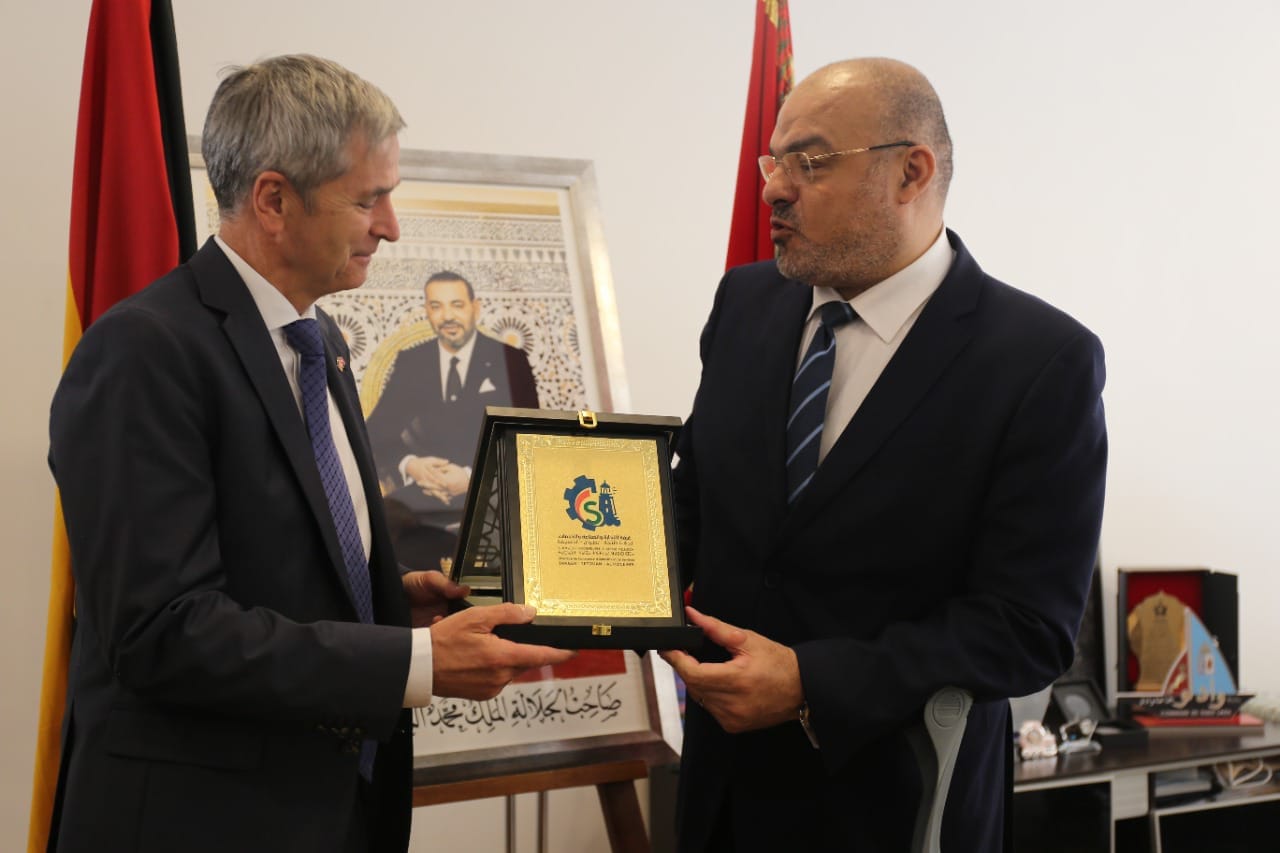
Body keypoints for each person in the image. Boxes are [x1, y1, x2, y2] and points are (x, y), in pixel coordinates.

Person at [46, 54, 572, 853]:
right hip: (200, 823)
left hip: (331, 809)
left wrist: (388, 604)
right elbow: (162, 631)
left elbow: (273, 560)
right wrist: (412, 659)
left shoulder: (316, 337)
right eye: (368, 199)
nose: (392, 226)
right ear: (273, 200)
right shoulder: (143, 352)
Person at [660, 58, 1106, 852]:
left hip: (894, 807)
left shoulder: (1040, 362)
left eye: (809, 162)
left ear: (912, 172)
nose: (774, 190)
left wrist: (810, 682)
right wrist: (554, 582)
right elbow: (693, 506)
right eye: (773, 162)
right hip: (720, 798)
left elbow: (1026, 627)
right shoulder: (746, 303)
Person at [366, 271, 539, 569]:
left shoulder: (510, 359)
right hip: (423, 495)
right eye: (437, 306)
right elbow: (376, 434)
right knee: (377, 524)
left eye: (457, 305)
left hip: (495, 492)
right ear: (427, 311)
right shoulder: (412, 361)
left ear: (475, 307)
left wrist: (472, 478)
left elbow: (529, 440)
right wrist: (412, 465)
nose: (447, 316)